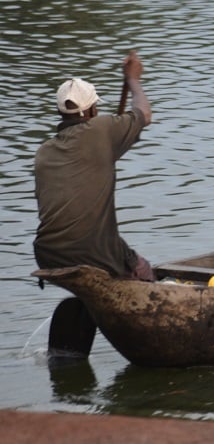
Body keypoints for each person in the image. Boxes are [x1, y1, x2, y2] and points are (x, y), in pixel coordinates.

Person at [34, 51, 152, 358]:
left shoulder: (44, 152)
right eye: (96, 108)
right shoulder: (102, 131)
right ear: (90, 112)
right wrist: (133, 80)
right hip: (94, 251)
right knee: (143, 270)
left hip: (48, 252)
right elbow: (143, 114)